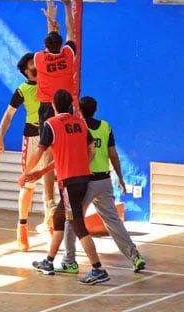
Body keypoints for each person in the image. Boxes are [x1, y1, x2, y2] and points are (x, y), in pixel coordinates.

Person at [23, 89, 110, 285]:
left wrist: (26, 171)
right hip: (81, 178)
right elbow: (91, 150)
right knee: (58, 217)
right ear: (70, 105)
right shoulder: (80, 123)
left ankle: (98, 269)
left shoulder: (51, 125)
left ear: (53, 105)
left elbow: (39, 151)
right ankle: (49, 261)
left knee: (79, 227)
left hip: (69, 182)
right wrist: (82, 165)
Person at [59, 96, 146, 274]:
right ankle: (135, 256)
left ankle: (69, 260)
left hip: (85, 181)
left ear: (80, 110)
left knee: (72, 219)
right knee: (113, 221)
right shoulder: (106, 126)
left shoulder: (78, 127)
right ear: (96, 110)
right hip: (105, 181)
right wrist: (120, 178)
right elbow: (113, 154)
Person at [0, 53, 53, 251]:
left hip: (51, 134)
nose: (37, 66)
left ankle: (50, 226)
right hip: (33, 137)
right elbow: (8, 115)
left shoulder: (49, 82)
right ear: (27, 71)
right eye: (33, 65)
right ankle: (22, 227)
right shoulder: (23, 90)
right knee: (28, 183)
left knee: (51, 184)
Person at [34, 0, 77, 234]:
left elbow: (51, 41)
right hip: (65, 107)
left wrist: (51, 20)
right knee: (66, 153)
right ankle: (65, 201)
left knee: (47, 155)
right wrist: (68, 6)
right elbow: (71, 31)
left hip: (47, 108)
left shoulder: (40, 59)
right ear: (61, 46)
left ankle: (50, 204)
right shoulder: (69, 55)